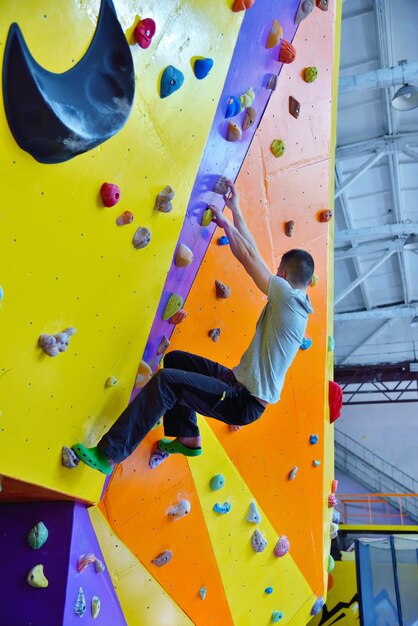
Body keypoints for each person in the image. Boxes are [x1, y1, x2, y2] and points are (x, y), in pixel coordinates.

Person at [71, 180, 314, 474]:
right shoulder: (298, 299)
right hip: (238, 385)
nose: (273, 274)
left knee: (166, 381)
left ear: (284, 274)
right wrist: (234, 208)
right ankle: (187, 436)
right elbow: (256, 255)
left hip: (243, 401)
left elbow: (249, 257)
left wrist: (225, 224)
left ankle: (109, 455)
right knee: (175, 360)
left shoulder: (287, 299)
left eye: (277, 272)